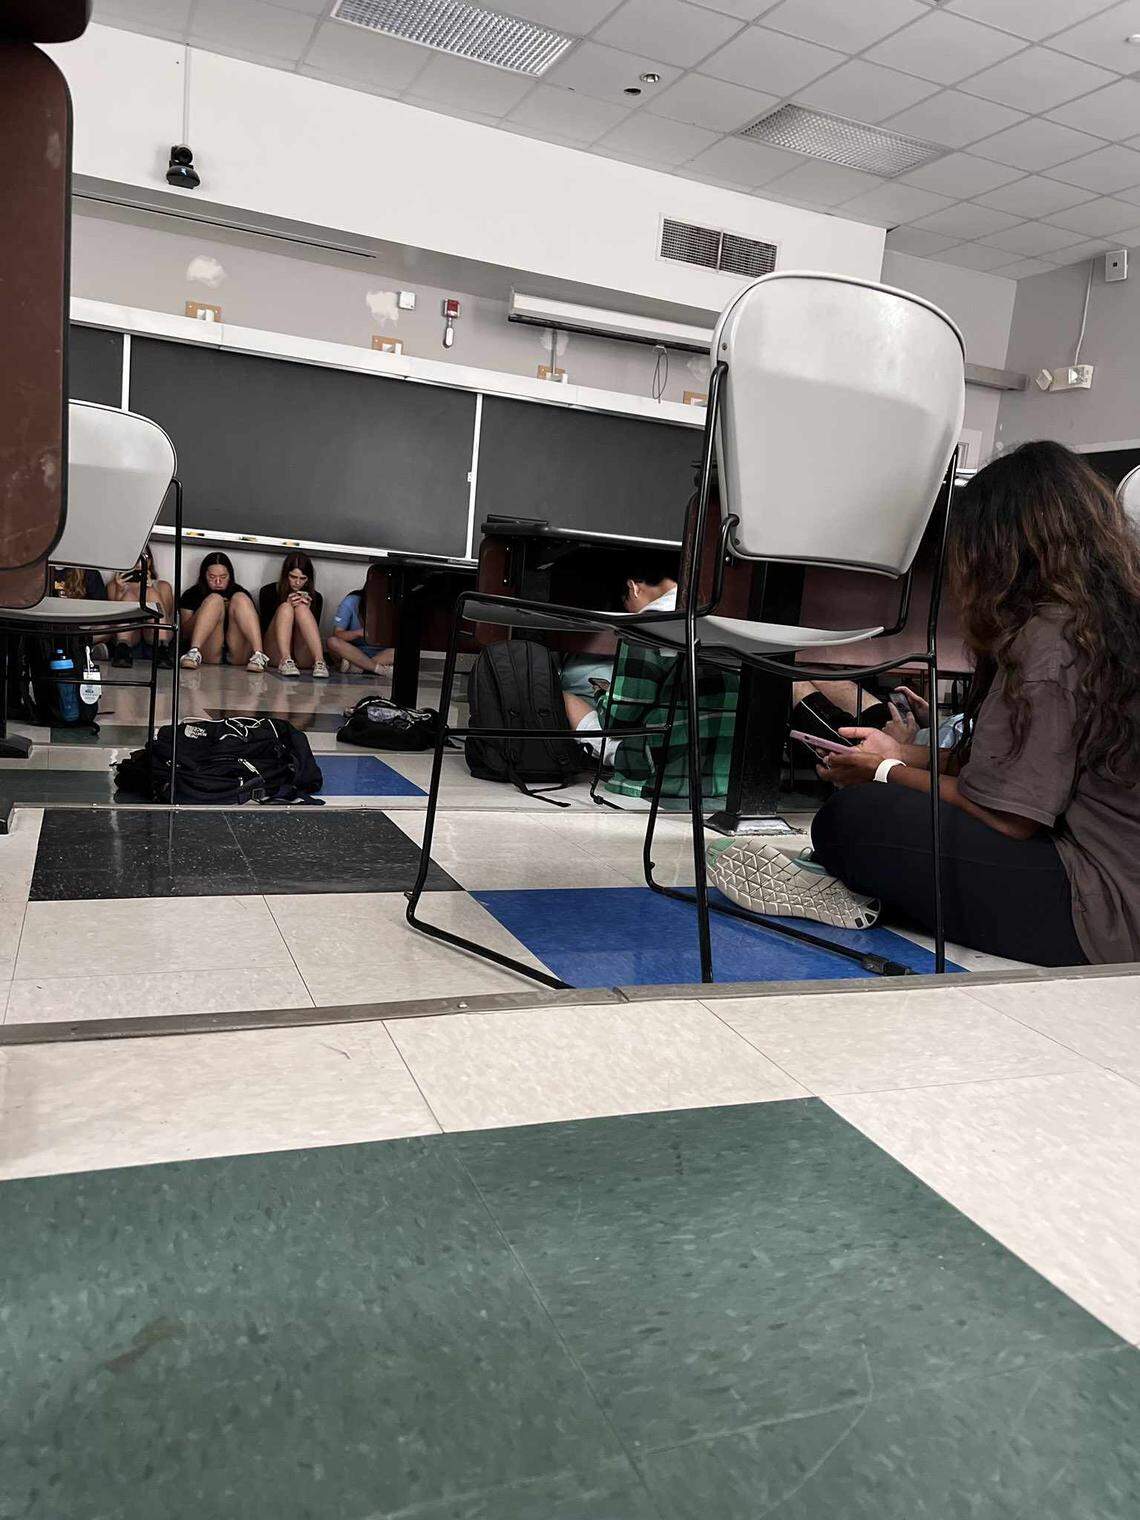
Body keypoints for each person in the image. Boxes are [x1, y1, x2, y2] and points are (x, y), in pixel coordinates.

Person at [710, 441, 1140, 967]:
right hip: (1117, 886)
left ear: (999, 548)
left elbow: (1008, 817)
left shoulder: (1050, 639)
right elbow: (1030, 770)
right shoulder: (1104, 626)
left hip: (1100, 911)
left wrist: (886, 771)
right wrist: (903, 754)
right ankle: (872, 887)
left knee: (855, 817)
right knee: (885, 814)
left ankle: (860, 889)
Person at [563, 557, 738, 805]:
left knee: (568, 699)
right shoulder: (718, 612)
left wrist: (605, 695)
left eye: (626, 604)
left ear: (633, 586)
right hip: (727, 772)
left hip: (663, 772)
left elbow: (618, 720)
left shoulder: (647, 624)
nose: (629, 612)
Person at [178, 552, 268, 671]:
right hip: (209, 650)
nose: (218, 581)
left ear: (230, 576)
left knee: (240, 598)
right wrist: (205, 610)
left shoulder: (240, 591)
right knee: (215, 599)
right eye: (212, 577)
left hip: (238, 652)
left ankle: (259, 655)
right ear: (204, 575)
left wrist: (231, 610)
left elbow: (257, 628)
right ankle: (194, 652)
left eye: (223, 577)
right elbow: (185, 633)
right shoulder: (192, 594)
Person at [259, 552, 328, 678]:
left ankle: (320, 661)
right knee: (286, 608)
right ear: (285, 575)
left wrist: (308, 611)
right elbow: (264, 627)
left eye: (302, 579)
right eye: (293, 577)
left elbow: (313, 633)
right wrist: (286, 604)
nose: (297, 583)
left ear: (308, 579)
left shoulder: (317, 597)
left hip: (302, 655)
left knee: (302, 609)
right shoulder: (268, 592)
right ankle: (286, 660)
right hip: (276, 653)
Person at [105, 548, 175, 668]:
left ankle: (163, 650)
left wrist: (151, 589)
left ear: (149, 562)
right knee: (129, 595)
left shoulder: (163, 586)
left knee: (149, 593)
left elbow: (166, 615)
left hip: (155, 634)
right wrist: (119, 591)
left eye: (142, 558)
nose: (137, 564)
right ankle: (122, 649)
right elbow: (113, 619)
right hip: (129, 636)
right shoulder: (114, 585)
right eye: (133, 558)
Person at [326, 586, 394, 676]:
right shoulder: (352, 601)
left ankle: (358, 667)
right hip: (353, 651)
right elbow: (338, 634)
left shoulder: (394, 604)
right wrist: (359, 633)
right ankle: (377, 669)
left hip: (382, 653)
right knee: (332, 642)